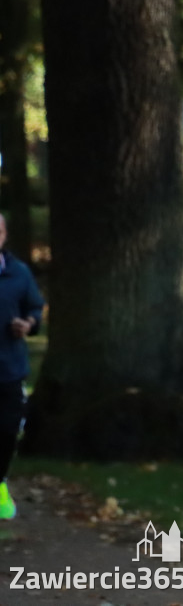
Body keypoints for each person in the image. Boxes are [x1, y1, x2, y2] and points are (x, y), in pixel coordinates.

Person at [0, 213, 45, 520]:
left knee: (5, 432)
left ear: (4, 235)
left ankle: (0, 483)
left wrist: (27, 324)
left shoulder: (18, 273)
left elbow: (35, 307)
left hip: (9, 369)